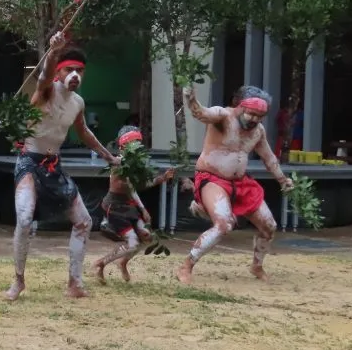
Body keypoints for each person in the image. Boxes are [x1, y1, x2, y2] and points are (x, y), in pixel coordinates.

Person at [6, 33, 121, 301]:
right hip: (29, 162)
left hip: (53, 165)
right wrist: (53, 51)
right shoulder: (47, 90)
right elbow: (44, 75)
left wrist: (109, 157)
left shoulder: (78, 103)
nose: (75, 75)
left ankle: (74, 282)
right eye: (70, 69)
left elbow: (84, 134)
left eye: (80, 71)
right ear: (60, 71)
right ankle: (18, 280)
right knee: (24, 220)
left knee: (84, 221)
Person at [176, 85, 293, 284]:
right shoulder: (223, 116)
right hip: (212, 178)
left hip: (240, 182)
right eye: (252, 114)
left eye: (260, 116)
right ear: (240, 107)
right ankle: (186, 265)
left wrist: (283, 179)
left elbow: (269, 157)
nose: (255, 120)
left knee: (269, 226)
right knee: (224, 224)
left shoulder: (258, 131)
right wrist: (191, 99)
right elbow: (201, 113)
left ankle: (257, 265)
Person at [94, 126, 175, 284]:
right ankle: (101, 264)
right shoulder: (118, 164)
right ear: (126, 146)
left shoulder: (134, 166)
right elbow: (131, 187)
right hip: (115, 207)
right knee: (133, 242)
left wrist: (162, 178)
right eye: (135, 144)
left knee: (146, 237)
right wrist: (143, 209)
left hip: (129, 205)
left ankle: (123, 262)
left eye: (139, 144)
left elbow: (138, 186)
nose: (138, 148)